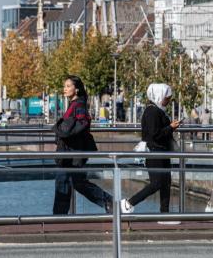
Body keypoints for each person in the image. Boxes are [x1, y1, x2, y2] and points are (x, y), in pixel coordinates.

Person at [52, 75, 112, 214]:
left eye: (68, 86)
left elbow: (81, 124)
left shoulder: (78, 104)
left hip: (72, 152)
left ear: (76, 89)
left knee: (67, 182)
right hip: (70, 151)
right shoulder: (74, 104)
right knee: (72, 182)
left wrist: (63, 131)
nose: (65, 89)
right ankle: (109, 202)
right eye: (64, 86)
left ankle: (58, 217)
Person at [120, 84, 180, 214]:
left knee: (166, 183)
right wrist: (171, 127)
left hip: (162, 151)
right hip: (154, 151)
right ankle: (129, 203)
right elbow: (155, 134)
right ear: (159, 96)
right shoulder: (152, 112)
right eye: (166, 98)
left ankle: (164, 213)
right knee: (157, 183)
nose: (168, 100)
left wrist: (170, 127)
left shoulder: (158, 110)